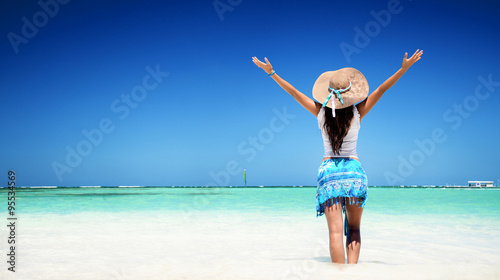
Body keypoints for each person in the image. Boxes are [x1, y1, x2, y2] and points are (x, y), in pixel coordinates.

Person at [252, 50, 423, 264]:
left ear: (328, 92)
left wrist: (272, 73)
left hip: (329, 173)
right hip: (354, 171)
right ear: (351, 92)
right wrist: (403, 69)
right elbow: (382, 89)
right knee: (354, 229)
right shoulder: (358, 111)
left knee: (334, 233)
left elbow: (294, 93)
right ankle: (352, 274)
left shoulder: (321, 112)